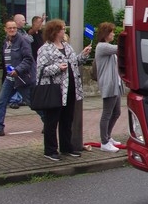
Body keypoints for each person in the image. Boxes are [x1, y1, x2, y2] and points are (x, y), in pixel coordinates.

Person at [35, 19, 89, 161]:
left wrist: (83, 55)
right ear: (54, 31)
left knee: (67, 119)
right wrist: (57, 68)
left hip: (70, 89)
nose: (64, 31)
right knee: (52, 121)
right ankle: (50, 150)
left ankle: (66, 147)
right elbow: (40, 70)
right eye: (62, 29)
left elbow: (74, 62)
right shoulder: (45, 49)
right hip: (55, 90)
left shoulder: (67, 46)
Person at [0, 18, 35, 137]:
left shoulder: (23, 41)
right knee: (1, 101)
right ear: (5, 29)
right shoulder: (6, 42)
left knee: (31, 102)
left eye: (14, 28)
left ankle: (48, 123)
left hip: (21, 78)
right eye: (10, 28)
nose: (12, 30)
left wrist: (17, 70)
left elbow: (28, 59)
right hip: (10, 78)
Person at [94, 22, 124, 152]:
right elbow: (122, 47)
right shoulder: (102, 46)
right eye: (112, 32)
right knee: (107, 113)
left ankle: (108, 136)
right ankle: (104, 142)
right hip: (109, 84)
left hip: (115, 84)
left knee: (116, 112)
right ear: (106, 34)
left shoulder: (107, 47)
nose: (113, 34)